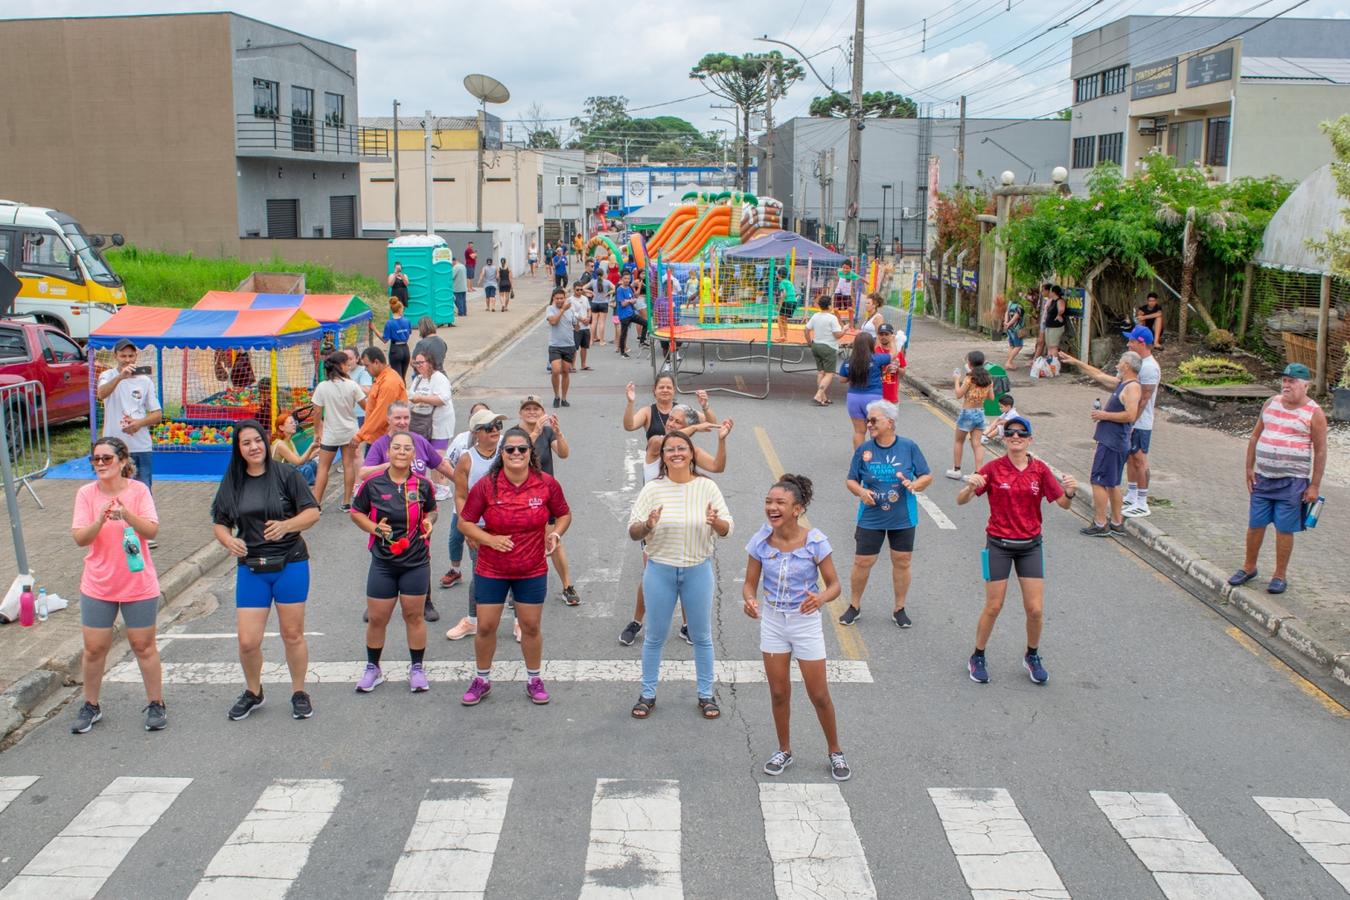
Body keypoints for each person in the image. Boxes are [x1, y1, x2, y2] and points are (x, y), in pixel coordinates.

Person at [742, 474, 851, 781]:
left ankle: (835, 751)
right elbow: (749, 585)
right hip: (774, 622)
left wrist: (820, 599)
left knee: (819, 694)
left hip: (805, 624)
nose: (772, 508)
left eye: (780, 503)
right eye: (768, 502)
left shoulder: (815, 541)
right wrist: (750, 602)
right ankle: (784, 750)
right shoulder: (761, 542)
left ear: (797, 509)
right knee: (778, 692)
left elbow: (835, 585)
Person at [211, 419, 321, 721]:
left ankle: (299, 691)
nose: (254, 447)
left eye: (257, 440)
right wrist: (227, 540)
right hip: (252, 567)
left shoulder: (286, 475)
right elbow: (219, 521)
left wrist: (287, 525)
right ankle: (253, 691)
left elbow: (312, 512)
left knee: (292, 634)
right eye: (246, 443)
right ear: (239, 449)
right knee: (247, 641)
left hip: (290, 564)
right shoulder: (233, 481)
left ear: (265, 442)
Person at [957, 416, 1078, 685]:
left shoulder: (1040, 470)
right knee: (994, 606)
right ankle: (977, 656)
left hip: (1030, 546)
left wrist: (1070, 493)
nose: (1015, 437)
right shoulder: (993, 468)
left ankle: (1032, 656)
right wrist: (970, 486)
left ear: (1029, 440)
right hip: (998, 545)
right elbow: (961, 501)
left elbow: (1062, 503)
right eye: (1010, 433)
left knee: (1035, 609)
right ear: (1004, 438)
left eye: (1021, 434)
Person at [458, 426, 571, 706]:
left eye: (522, 449)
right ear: (502, 454)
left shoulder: (546, 483)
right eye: (510, 449)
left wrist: (555, 533)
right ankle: (482, 679)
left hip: (531, 568)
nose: (516, 453)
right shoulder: (487, 484)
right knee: (486, 626)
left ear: (531, 453)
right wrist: (489, 539)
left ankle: (534, 679)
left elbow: (564, 514)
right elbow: (465, 522)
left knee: (531, 627)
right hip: (491, 569)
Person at [627, 431, 733, 720]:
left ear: (691, 454)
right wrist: (647, 525)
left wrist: (717, 522)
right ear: (662, 457)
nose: (676, 453)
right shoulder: (653, 489)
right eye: (669, 449)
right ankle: (647, 694)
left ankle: (706, 695)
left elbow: (727, 528)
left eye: (681, 448)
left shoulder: (707, 487)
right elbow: (633, 529)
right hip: (659, 569)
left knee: (702, 636)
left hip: (698, 569)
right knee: (654, 637)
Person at [69, 437, 166, 734]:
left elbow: (151, 530)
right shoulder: (86, 494)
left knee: (143, 646)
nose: (100, 464)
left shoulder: (138, 491)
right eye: (95, 459)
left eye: (106, 459)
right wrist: (99, 520)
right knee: (94, 649)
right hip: (98, 583)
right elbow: (80, 538)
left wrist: (127, 515)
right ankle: (91, 705)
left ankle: (156, 703)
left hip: (137, 582)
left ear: (123, 461)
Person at [620, 401, 731, 647]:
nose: (671, 423)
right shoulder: (657, 443)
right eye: (671, 419)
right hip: (655, 522)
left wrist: (721, 440)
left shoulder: (688, 451)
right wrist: (693, 429)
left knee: (686, 571)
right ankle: (637, 621)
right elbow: (667, 441)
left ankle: (687, 625)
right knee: (651, 573)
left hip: (683, 521)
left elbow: (717, 466)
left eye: (678, 422)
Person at [350, 431, 438, 693]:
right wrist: (375, 528)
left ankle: (417, 668)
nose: (401, 452)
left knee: (414, 616)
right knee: (377, 618)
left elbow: (432, 510)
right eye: (396, 448)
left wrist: (429, 521)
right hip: (383, 563)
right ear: (388, 453)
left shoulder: (423, 485)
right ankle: (373, 669)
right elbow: (356, 513)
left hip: (416, 562)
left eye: (407, 448)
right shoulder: (373, 484)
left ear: (413, 454)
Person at [1229, 363, 1327, 595]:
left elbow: (1321, 451)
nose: (1286, 385)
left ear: (1305, 385)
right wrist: (1248, 468)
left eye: (1292, 381)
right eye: (1284, 380)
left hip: (1292, 482)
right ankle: (1249, 567)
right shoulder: (1270, 403)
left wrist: (1314, 485)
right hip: (1263, 478)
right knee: (1255, 524)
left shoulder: (1314, 412)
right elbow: (1255, 436)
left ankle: (1279, 575)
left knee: (1284, 528)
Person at [839, 399, 933, 628]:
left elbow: (926, 475)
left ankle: (899, 608)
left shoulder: (908, 446)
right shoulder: (864, 449)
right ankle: (854, 605)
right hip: (871, 517)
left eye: (873, 420)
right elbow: (851, 480)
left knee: (902, 561)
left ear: (890, 422)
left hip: (903, 517)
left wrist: (915, 485)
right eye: (867, 420)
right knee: (863, 561)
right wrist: (861, 491)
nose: (868, 424)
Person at [1061, 326, 1160, 517]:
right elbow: (1101, 377)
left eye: (1131, 341)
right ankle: (1131, 496)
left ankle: (1142, 501)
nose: (1128, 343)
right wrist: (1076, 362)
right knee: (1130, 460)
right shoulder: (1132, 368)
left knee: (1139, 460)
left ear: (1141, 343)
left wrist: (1128, 423)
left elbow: (1144, 399)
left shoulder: (1148, 368)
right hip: (1127, 425)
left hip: (1138, 423)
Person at [445, 408, 507, 641]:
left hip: (508, 524)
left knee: (517, 572)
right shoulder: (466, 459)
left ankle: (520, 622)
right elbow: (460, 496)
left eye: (498, 427)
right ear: (476, 433)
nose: (495, 432)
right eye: (489, 428)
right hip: (479, 527)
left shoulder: (508, 452)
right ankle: (472, 620)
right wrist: (467, 525)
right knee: (480, 573)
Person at [516, 395, 580, 605]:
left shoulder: (547, 431)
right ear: (521, 412)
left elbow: (563, 454)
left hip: (544, 494)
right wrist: (534, 433)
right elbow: (518, 453)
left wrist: (559, 434)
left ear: (542, 411)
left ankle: (567, 586)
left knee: (552, 539)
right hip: (519, 496)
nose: (532, 412)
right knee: (519, 541)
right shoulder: (514, 434)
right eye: (528, 409)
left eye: (536, 409)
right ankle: (515, 586)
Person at [1080, 351, 1142, 537]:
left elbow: (1131, 415)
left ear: (1127, 366)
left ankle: (1100, 523)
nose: (1117, 365)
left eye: (1120, 362)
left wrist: (1103, 415)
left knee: (1097, 480)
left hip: (1112, 442)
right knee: (1113, 483)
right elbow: (1097, 375)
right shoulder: (1122, 384)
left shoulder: (1132, 388)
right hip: (1113, 441)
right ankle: (1116, 522)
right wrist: (1074, 361)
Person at [96, 338, 163, 494]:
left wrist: (139, 423)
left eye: (131, 356)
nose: (127, 360)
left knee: (143, 491)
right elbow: (101, 393)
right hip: (114, 446)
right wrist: (120, 377)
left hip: (140, 446)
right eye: (123, 356)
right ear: (115, 356)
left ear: (136, 356)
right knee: (114, 491)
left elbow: (157, 414)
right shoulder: (107, 375)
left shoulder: (144, 380)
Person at [440, 401, 491, 587]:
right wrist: (460, 481)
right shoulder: (462, 439)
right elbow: (445, 462)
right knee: (456, 536)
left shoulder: (499, 440)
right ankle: (455, 569)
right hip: (464, 501)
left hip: (490, 506)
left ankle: (506, 587)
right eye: (477, 416)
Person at [310, 351, 366, 512]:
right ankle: (346, 503)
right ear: (341, 366)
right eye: (346, 363)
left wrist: (317, 432)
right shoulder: (352, 385)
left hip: (330, 433)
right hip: (350, 431)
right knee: (348, 465)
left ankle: (316, 504)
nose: (349, 366)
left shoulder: (322, 387)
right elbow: (366, 407)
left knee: (323, 467)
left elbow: (317, 412)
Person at [946, 350, 994, 480]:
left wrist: (956, 380)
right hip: (980, 413)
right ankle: (978, 473)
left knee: (958, 441)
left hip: (967, 413)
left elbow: (958, 394)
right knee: (977, 443)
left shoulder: (969, 379)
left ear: (970, 363)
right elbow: (991, 397)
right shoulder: (988, 379)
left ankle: (956, 470)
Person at [838, 332, 891, 449]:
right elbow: (893, 355)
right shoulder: (877, 358)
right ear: (871, 344)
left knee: (859, 431)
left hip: (854, 398)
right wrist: (894, 342)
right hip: (873, 398)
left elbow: (842, 379)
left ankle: (859, 459)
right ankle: (876, 457)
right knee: (876, 430)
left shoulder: (848, 361)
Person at [355, 347, 408, 450]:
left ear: (376, 362)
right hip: (376, 436)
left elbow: (381, 414)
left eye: (367, 365)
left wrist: (360, 435)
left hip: (384, 439)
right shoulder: (381, 378)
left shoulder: (389, 383)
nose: (365, 369)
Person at [409, 352, 455, 454]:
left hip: (439, 428)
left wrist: (421, 398)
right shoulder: (418, 379)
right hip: (420, 426)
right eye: (416, 363)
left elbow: (442, 400)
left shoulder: (439, 378)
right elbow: (411, 397)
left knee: (438, 462)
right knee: (419, 460)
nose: (419, 365)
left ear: (430, 363)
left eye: (421, 362)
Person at [806, 295, 843, 407]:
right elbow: (837, 335)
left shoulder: (816, 316)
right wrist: (845, 330)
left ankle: (823, 397)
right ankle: (818, 395)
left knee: (821, 372)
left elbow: (806, 330)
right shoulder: (832, 318)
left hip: (816, 346)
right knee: (829, 373)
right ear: (829, 305)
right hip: (828, 347)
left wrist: (809, 342)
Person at [546, 287, 580, 408]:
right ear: (553, 299)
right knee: (555, 370)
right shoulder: (550, 309)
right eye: (557, 298)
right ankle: (556, 396)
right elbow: (553, 321)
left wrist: (579, 324)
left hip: (569, 345)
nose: (560, 300)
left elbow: (575, 325)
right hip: (555, 345)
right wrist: (562, 310)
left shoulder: (571, 310)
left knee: (565, 371)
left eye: (562, 298)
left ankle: (564, 398)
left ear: (565, 298)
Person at [271, 411, 320, 486]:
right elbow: (298, 462)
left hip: (288, 470)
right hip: (280, 478)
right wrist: (311, 447)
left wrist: (314, 453)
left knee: (313, 464)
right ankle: (308, 491)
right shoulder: (280, 444)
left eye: (294, 422)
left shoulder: (289, 440)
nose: (294, 425)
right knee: (307, 469)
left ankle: (311, 488)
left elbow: (298, 459)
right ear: (281, 427)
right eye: (291, 423)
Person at [616, 271, 648, 357]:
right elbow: (623, 304)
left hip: (631, 313)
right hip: (624, 315)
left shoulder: (629, 288)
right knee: (624, 333)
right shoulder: (619, 289)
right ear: (622, 279)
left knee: (646, 323)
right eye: (625, 278)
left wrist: (631, 301)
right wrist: (630, 301)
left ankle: (642, 341)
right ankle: (623, 352)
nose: (627, 280)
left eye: (629, 279)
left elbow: (634, 297)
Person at [382, 299, 414, 382]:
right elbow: (409, 333)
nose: (403, 311)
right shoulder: (407, 321)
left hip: (395, 350)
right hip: (405, 349)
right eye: (403, 309)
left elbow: (385, 340)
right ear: (399, 309)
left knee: (397, 378)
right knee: (403, 377)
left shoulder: (389, 323)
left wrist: (374, 329)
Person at [876, 324, 905, 404]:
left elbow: (903, 372)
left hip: (892, 397)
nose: (883, 336)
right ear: (878, 336)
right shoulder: (875, 352)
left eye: (886, 334)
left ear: (892, 336)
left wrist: (897, 369)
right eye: (881, 334)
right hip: (877, 396)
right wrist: (886, 371)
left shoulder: (898, 353)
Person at [569, 281, 594, 371]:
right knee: (575, 347)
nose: (579, 291)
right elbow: (573, 312)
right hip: (577, 326)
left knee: (584, 347)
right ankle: (572, 365)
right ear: (574, 289)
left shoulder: (585, 298)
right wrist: (582, 319)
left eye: (581, 289)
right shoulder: (570, 300)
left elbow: (589, 309)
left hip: (586, 326)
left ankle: (583, 364)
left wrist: (588, 318)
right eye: (577, 290)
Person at [345, 346, 373, 429]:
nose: (347, 362)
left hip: (360, 414)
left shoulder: (363, 371)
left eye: (350, 359)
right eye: (344, 359)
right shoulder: (343, 371)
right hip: (348, 414)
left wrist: (351, 382)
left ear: (357, 359)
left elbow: (368, 391)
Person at [1042, 285, 1068, 364]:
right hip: (1049, 326)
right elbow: (1046, 308)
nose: (1049, 293)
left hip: (1055, 327)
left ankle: (1054, 364)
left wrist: (1059, 315)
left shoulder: (1060, 301)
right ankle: (1049, 363)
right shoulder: (1052, 301)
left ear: (1053, 292)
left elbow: (1061, 309)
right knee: (1049, 346)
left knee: (1054, 346)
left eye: (1050, 291)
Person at [591, 266, 612, 346]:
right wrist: (608, 293)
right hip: (604, 303)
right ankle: (601, 341)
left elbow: (583, 287)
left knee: (593, 322)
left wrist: (591, 292)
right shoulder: (607, 282)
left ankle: (591, 341)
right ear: (603, 274)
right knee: (602, 323)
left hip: (594, 302)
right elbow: (615, 288)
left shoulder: (593, 282)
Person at [1003, 294, 1026, 370]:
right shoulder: (1020, 306)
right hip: (1017, 329)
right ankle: (1009, 362)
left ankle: (1010, 362)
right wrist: (1010, 323)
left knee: (1011, 345)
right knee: (1019, 346)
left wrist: (1006, 322)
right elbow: (1017, 315)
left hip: (1010, 328)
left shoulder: (1010, 304)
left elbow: (1006, 312)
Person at [452, 255, 469, 319]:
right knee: (463, 300)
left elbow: (451, 276)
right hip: (464, 286)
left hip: (457, 287)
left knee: (458, 300)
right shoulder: (463, 266)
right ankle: (464, 312)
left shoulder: (455, 267)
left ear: (454, 261)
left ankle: (461, 312)